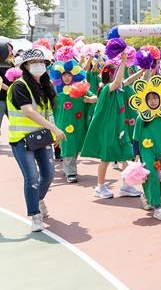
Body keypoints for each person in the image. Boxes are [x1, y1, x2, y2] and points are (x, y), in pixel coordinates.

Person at [7, 48, 66, 232]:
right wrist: (54, 129)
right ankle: (35, 215)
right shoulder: (19, 85)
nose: (38, 66)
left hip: (42, 138)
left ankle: (38, 199)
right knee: (31, 178)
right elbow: (29, 112)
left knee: (48, 175)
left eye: (41, 63)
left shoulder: (45, 86)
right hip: (22, 140)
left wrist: (54, 132)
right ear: (25, 66)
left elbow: (48, 112)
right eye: (33, 63)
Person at [80, 52, 143, 199]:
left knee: (128, 155)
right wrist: (123, 61)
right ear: (111, 76)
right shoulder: (108, 88)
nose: (120, 76)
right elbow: (118, 81)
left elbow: (126, 81)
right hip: (108, 129)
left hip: (120, 128)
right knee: (106, 158)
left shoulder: (119, 88)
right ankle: (100, 187)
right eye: (116, 73)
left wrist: (143, 71)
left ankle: (127, 186)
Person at [129, 76, 161, 221]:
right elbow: (136, 138)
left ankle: (148, 197)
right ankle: (157, 207)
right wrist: (136, 154)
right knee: (152, 175)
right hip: (146, 151)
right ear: (145, 101)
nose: (152, 101)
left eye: (155, 98)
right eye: (149, 99)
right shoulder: (141, 118)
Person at [50, 59, 97, 183]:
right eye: (64, 75)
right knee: (68, 145)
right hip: (62, 123)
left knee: (76, 146)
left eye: (69, 75)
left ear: (74, 75)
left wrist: (88, 99)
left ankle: (68, 168)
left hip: (79, 123)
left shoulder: (80, 88)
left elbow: (95, 98)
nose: (66, 77)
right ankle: (70, 172)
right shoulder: (55, 90)